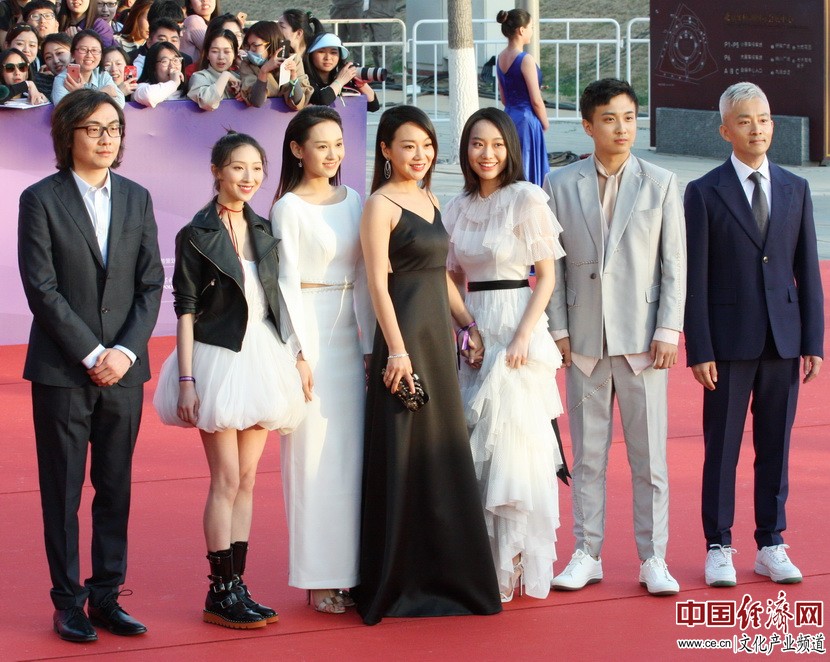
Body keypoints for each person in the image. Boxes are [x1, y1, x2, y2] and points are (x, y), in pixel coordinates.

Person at [17, 88, 163, 642]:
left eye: (114, 129)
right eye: (94, 129)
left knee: (115, 486)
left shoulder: (137, 197)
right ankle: (67, 601)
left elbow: (150, 283)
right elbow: (42, 287)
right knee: (63, 490)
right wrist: (92, 352)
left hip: (124, 371)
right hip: (62, 370)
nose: (106, 139)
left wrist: (123, 352)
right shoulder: (40, 199)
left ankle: (106, 595)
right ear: (68, 135)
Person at [355, 105, 502, 625]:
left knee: (440, 452)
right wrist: (397, 351)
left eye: (427, 146)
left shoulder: (431, 198)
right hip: (404, 339)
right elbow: (378, 283)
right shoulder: (380, 205)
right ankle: (398, 581)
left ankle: (447, 576)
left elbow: (440, 274)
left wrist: (468, 324)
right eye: (408, 146)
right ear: (385, 150)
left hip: (437, 338)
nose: (420, 155)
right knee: (403, 451)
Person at [153, 131, 306, 629]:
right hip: (217, 359)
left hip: (264, 356)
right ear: (217, 171)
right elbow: (185, 309)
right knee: (224, 479)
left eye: (257, 169)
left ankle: (237, 585)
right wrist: (187, 379)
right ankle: (218, 591)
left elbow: (277, 300)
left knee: (247, 481)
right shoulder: (196, 233)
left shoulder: (264, 228)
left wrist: (298, 354)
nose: (249, 177)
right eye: (238, 167)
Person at [544, 78, 686, 596]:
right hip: (584, 340)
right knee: (587, 457)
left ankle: (654, 558)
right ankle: (587, 552)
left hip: (643, 342)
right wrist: (558, 328)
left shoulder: (662, 182)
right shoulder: (560, 183)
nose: (622, 128)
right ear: (588, 125)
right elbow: (552, 264)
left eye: (629, 117)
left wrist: (668, 328)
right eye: (609, 119)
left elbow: (674, 263)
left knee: (650, 460)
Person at [684, 82, 824, 588]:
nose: (756, 128)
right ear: (726, 130)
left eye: (763, 119)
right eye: (744, 121)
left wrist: (813, 341)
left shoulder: (795, 188)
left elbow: (807, 269)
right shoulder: (703, 191)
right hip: (727, 343)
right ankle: (718, 544)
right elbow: (694, 278)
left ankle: (771, 542)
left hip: (783, 340)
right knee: (721, 448)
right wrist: (699, 347)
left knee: (776, 446)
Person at [444, 107, 565, 602]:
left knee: (515, 443)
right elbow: (451, 276)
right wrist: (464, 329)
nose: (487, 153)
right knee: (478, 443)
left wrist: (522, 337)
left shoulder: (527, 198)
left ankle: (513, 559)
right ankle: (484, 558)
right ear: (465, 150)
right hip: (475, 328)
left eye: (496, 144)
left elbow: (547, 277)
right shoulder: (456, 207)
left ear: (510, 148)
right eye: (477, 144)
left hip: (517, 324)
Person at [270, 106, 375, 615]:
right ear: (297, 150)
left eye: (338, 144)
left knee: (350, 460)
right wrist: (298, 353)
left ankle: (351, 571)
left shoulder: (355, 199)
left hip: (350, 334)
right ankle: (316, 578)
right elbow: (284, 284)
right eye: (321, 145)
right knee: (311, 461)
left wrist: (372, 346)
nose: (333, 154)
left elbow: (368, 277)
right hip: (310, 335)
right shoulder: (287, 208)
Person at [495, 8, 549, 187]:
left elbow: (504, 98)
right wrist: (544, 122)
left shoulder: (500, 58)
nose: (532, 31)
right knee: (527, 169)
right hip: (526, 120)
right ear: (521, 30)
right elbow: (536, 100)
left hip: (508, 117)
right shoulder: (526, 59)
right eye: (531, 27)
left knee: (513, 167)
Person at [305, 32, 379, 112]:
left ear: (339, 56)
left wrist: (361, 85)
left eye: (333, 52)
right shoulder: (304, 78)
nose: (328, 58)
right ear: (311, 54)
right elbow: (322, 100)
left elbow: (373, 106)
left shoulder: (340, 77)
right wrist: (340, 81)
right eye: (321, 51)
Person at [51, 29, 125, 106]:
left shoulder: (102, 75)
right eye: (83, 49)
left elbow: (119, 102)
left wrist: (80, 94)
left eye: (94, 50)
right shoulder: (62, 79)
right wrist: (102, 93)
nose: (89, 55)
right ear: (73, 54)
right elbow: (65, 110)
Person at [186, 27, 237, 110]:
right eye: (215, 51)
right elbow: (208, 102)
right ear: (207, 54)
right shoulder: (199, 77)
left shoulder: (238, 77)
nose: (221, 57)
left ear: (235, 54)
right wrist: (226, 75)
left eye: (227, 51)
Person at [132, 40, 185, 106]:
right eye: (165, 61)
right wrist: (174, 83)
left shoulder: (188, 91)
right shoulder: (141, 88)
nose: (172, 66)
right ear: (153, 67)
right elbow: (149, 97)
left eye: (176, 60)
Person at [33, 31, 70, 95]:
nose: (56, 61)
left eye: (59, 53)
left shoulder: (87, 78)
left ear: (73, 53)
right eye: (49, 57)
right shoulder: (40, 86)